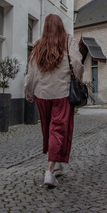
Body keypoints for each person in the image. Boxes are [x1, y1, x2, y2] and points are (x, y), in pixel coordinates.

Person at [24, 14, 83, 188]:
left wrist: (28, 93)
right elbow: (78, 63)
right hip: (61, 94)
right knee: (58, 130)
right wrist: (78, 80)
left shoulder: (38, 45)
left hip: (42, 95)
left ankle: (56, 163)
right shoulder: (68, 41)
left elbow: (31, 73)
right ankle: (49, 171)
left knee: (48, 129)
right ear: (61, 26)